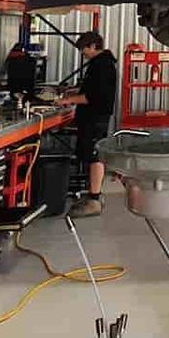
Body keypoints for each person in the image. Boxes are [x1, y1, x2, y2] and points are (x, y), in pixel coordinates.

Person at [61, 31, 117, 214]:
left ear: (93, 46)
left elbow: (93, 96)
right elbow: (92, 88)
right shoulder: (100, 64)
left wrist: (67, 101)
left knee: (94, 157)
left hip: (95, 117)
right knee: (92, 155)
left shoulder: (102, 66)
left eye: (84, 49)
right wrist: (74, 91)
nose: (82, 53)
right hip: (94, 117)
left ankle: (94, 199)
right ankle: (94, 195)